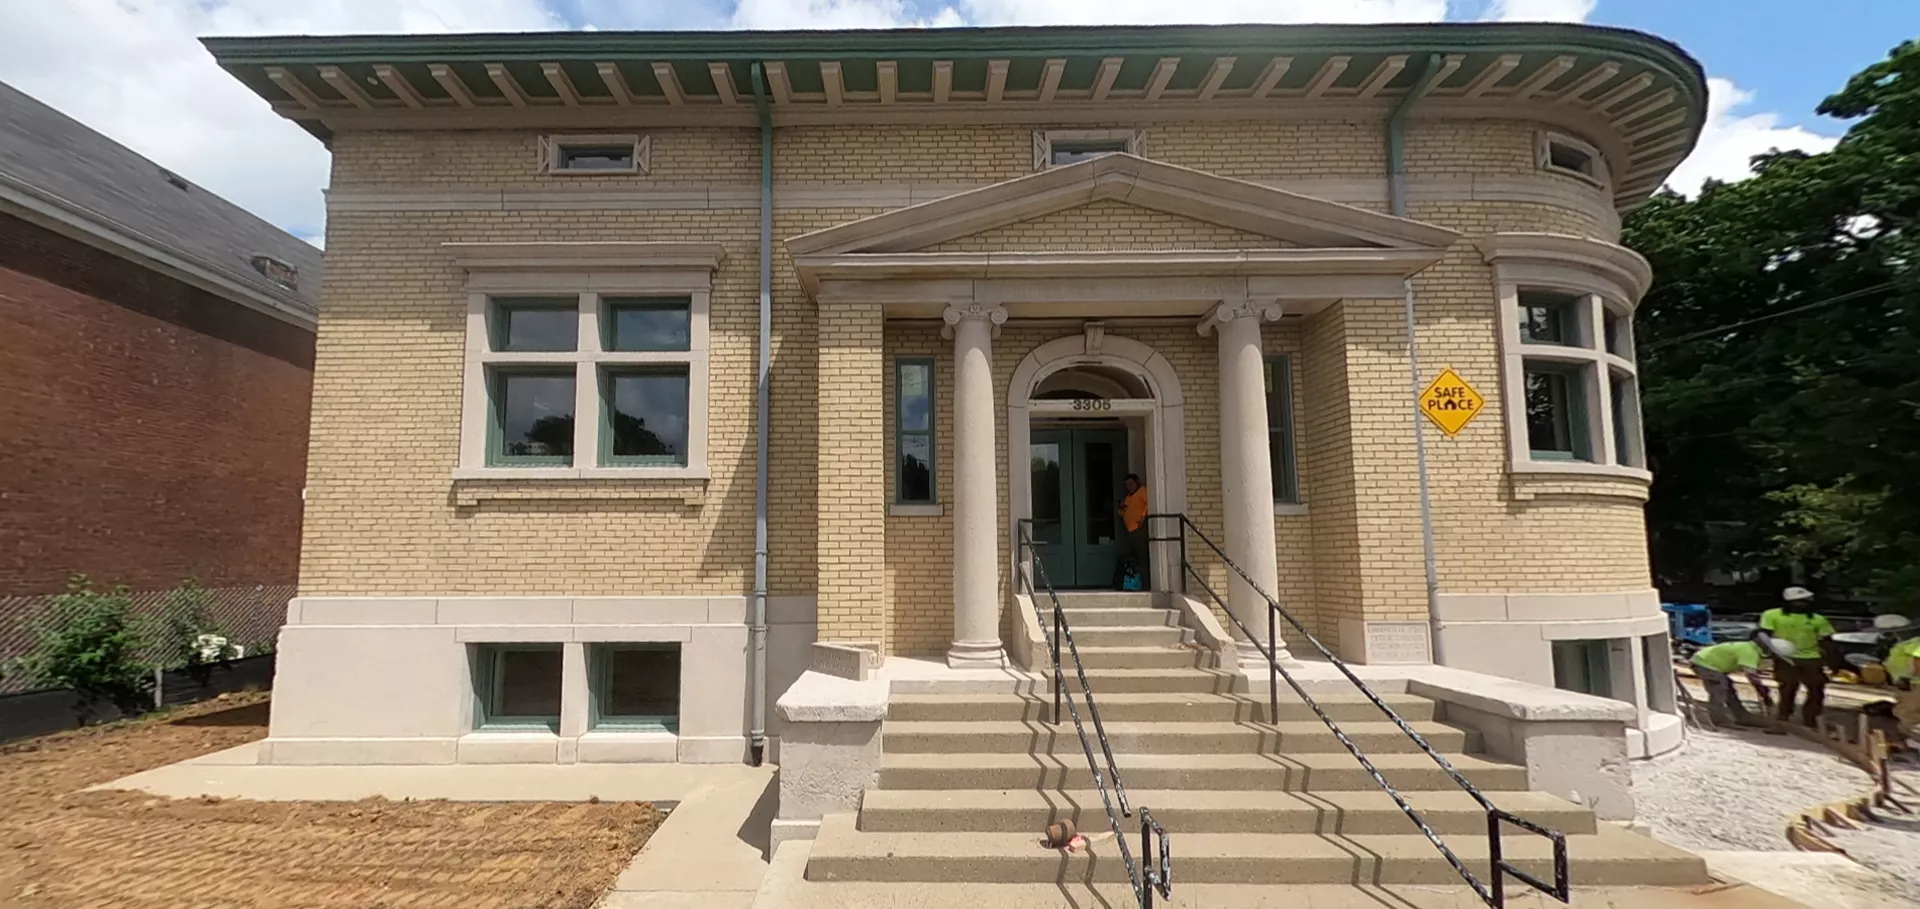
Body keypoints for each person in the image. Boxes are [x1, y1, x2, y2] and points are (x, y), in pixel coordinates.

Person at [1759, 586, 1836, 728]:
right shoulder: (1772, 615)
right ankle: (1783, 716)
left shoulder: (1818, 619)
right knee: (1788, 687)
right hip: (1784, 657)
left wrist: (1833, 662)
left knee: (1816, 689)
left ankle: (1811, 719)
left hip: (1812, 657)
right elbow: (1764, 634)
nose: (1802, 604)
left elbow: (1826, 641)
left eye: (1805, 601)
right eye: (1798, 601)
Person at [1690, 631, 1787, 726]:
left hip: (1708, 663)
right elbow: (1752, 676)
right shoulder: (1749, 652)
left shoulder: (1748, 647)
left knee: (1729, 689)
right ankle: (1718, 719)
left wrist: (1763, 691)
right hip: (1703, 663)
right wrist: (1764, 693)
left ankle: (1742, 716)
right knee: (1719, 688)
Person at [1115, 474, 1149, 590]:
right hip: (1129, 530)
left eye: (1131, 484)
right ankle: (1130, 583)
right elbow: (1122, 512)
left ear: (1137, 482)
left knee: (1142, 557)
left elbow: (1149, 504)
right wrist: (1120, 509)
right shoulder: (1128, 497)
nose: (1129, 486)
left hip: (1138, 529)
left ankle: (1146, 584)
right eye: (1127, 485)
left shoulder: (1142, 491)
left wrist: (1143, 517)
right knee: (1130, 557)